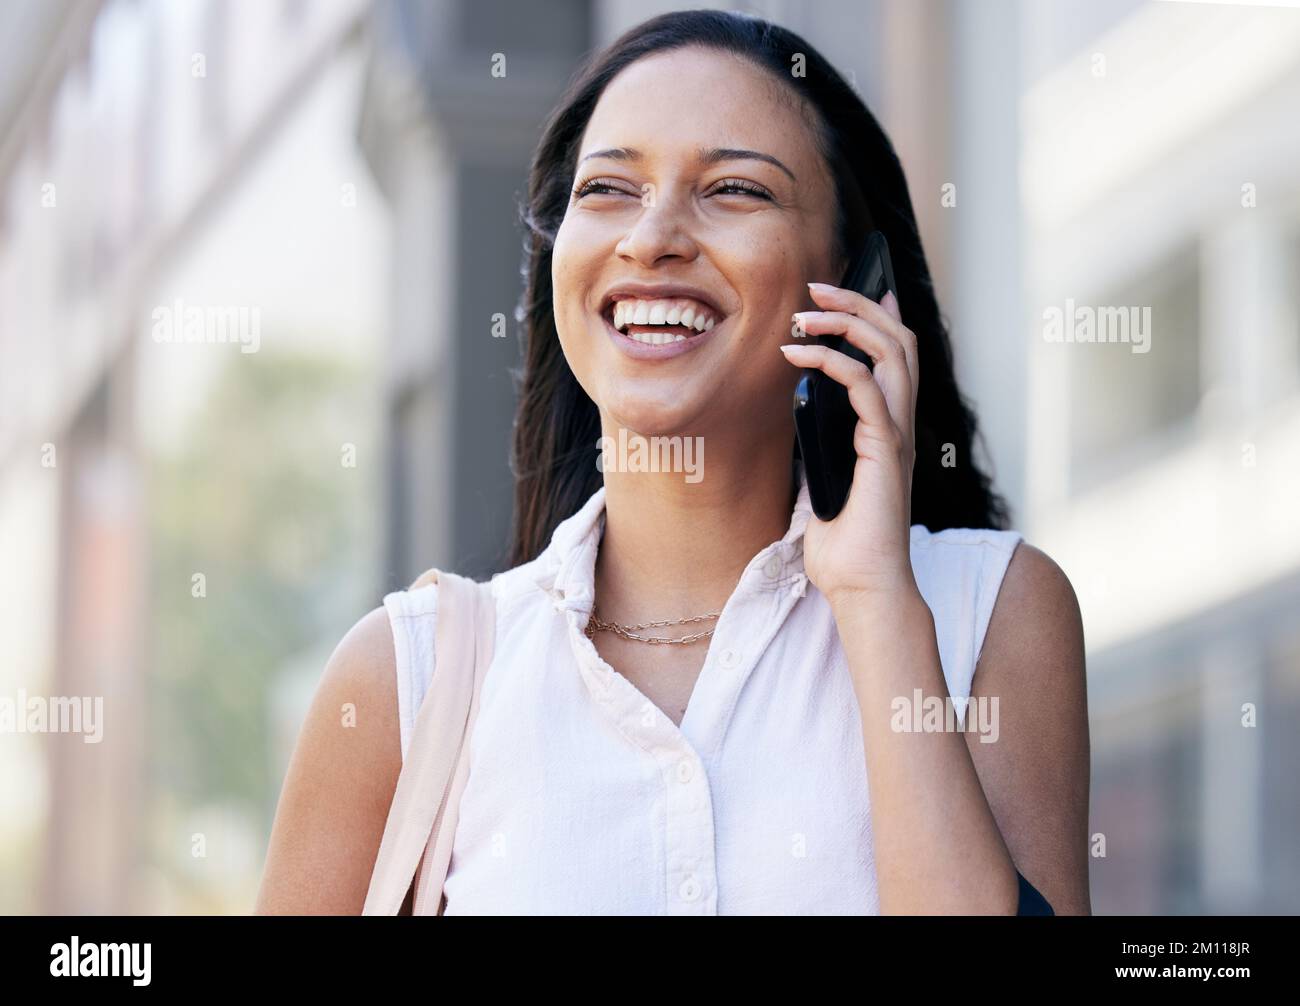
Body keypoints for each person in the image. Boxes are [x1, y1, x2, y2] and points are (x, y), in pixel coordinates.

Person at [255, 9, 1090, 915]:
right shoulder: (406, 678)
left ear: (855, 282)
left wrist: (875, 600)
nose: (651, 237)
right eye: (608, 189)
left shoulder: (990, 613)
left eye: (734, 190)